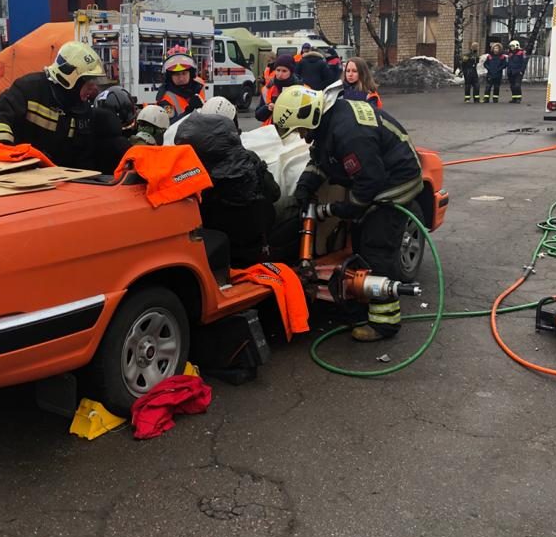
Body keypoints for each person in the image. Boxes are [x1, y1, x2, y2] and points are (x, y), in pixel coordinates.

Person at [274, 85, 423, 342]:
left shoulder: (349, 134)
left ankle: (385, 322)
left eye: (300, 130)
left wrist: (331, 209)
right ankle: (361, 305)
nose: (300, 136)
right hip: (376, 176)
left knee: (376, 246)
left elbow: (367, 188)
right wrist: (305, 187)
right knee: (359, 240)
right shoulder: (328, 122)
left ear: (310, 117)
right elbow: (321, 160)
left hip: (396, 182)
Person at [0, 41, 128, 170]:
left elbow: (83, 156)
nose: (93, 88)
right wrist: (7, 152)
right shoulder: (29, 89)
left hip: (58, 180)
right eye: (88, 82)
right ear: (70, 78)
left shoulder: (81, 109)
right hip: (20, 172)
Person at [171, 111, 281, 267]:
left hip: (216, 252)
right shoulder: (250, 160)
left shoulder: (195, 175)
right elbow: (275, 193)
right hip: (254, 244)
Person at [156, 48, 206, 121]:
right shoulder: (165, 98)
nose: (181, 78)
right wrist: (189, 111)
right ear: (169, 76)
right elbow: (168, 126)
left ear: (191, 73)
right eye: (176, 74)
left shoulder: (199, 86)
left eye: (184, 73)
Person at [256, 54, 299, 125]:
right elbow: (258, 116)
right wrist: (268, 108)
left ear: (291, 72)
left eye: (284, 71)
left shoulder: (300, 88)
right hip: (272, 131)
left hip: (293, 132)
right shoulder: (267, 89)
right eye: (278, 70)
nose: (280, 74)